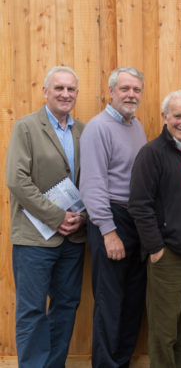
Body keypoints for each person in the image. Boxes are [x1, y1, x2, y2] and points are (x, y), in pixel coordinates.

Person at [6, 66, 86, 368]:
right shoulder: (26, 127)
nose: (65, 94)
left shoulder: (82, 130)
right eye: (59, 88)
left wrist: (83, 217)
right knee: (32, 311)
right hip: (34, 239)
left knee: (66, 306)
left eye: (71, 89)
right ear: (45, 91)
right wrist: (56, 216)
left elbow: (90, 181)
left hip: (73, 237)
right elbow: (17, 180)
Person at [128, 90, 181, 367]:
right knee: (164, 330)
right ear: (165, 117)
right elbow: (140, 205)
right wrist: (155, 249)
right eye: (178, 116)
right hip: (168, 254)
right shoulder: (151, 153)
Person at [80, 66, 147, 368]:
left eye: (136, 90)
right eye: (125, 89)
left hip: (137, 222)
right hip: (112, 220)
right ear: (111, 92)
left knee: (133, 302)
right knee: (110, 303)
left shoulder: (137, 126)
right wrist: (109, 232)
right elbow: (92, 185)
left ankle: (121, 363)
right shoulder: (98, 127)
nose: (131, 94)